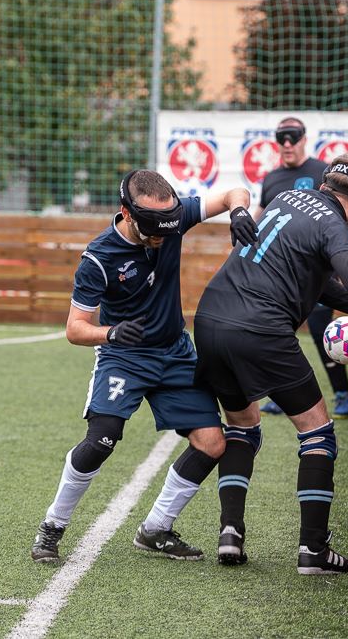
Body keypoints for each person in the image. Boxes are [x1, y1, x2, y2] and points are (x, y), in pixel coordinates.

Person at [194, 153, 348, 573]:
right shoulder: (334, 223)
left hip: (211, 320)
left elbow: (319, 285)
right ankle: (314, 551)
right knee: (318, 432)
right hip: (261, 330)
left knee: (242, 427)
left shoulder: (286, 198)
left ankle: (230, 533)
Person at [30, 170, 257, 564]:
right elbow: (75, 329)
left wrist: (238, 211)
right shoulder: (98, 257)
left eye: (168, 228)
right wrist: (112, 334)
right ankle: (52, 525)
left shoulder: (171, 219)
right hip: (124, 356)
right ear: (126, 213)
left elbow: (235, 191)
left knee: (212, 443)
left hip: (174, 353)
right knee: (102, 439)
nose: (162, 237)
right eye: (152, 229)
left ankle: (156, 529)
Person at [256, 116, 348, 419]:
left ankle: (342, 394)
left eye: (293, 137)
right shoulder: (271, 178)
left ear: (303, 139)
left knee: (323, 330)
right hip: (283, 273)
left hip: (320, 268)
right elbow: (261, 213)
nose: (287, 144)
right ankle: (279, 392)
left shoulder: (320, 172)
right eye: (281, 138)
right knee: (279, 331)